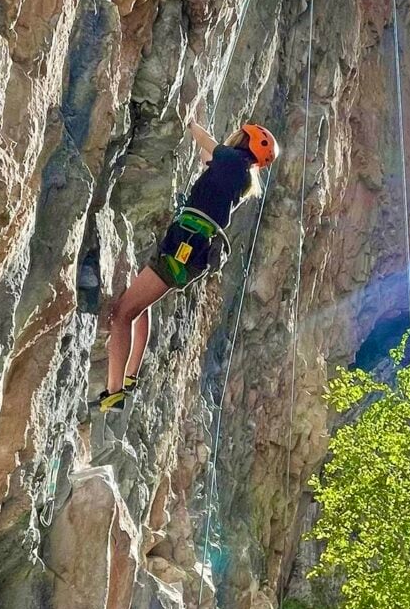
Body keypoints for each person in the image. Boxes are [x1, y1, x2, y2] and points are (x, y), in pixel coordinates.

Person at [97, 118, 279, 413]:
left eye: (240, 133)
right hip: (190, 247)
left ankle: (114, 392)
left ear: (245, 141)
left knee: (122, 314)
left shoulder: (233, 161)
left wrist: (191, 121)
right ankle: (129, 377)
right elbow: (208, 158)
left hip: (185, 245)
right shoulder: (239, 175)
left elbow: (207, 144)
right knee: (140, 307)